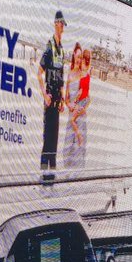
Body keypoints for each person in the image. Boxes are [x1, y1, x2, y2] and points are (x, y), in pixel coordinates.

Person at [38, 11, 66, 175]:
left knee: (54, 135)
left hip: (57, 99)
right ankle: (43, 170)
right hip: (49, 97)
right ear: (55, 24)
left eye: (63, 25)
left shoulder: (62, 50)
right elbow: (39, 73)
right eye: (60, 24)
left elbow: (61, 78)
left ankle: (52, 171)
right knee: (47, 135)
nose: (62, 27)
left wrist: (62, 99)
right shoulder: (49, 47)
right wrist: (44, 94)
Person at [62, 43, 83, 169]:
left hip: (79, 111)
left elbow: (83, 94)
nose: (79, 59)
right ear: (74, 55)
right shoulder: (69, 74)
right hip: (71, 110)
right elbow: (66, 98)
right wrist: (69, 104)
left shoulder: (82, 74)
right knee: (68, 139)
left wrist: (76, 104)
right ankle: (66, 168)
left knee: (77, 140)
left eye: (81, 57)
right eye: (78, 56)